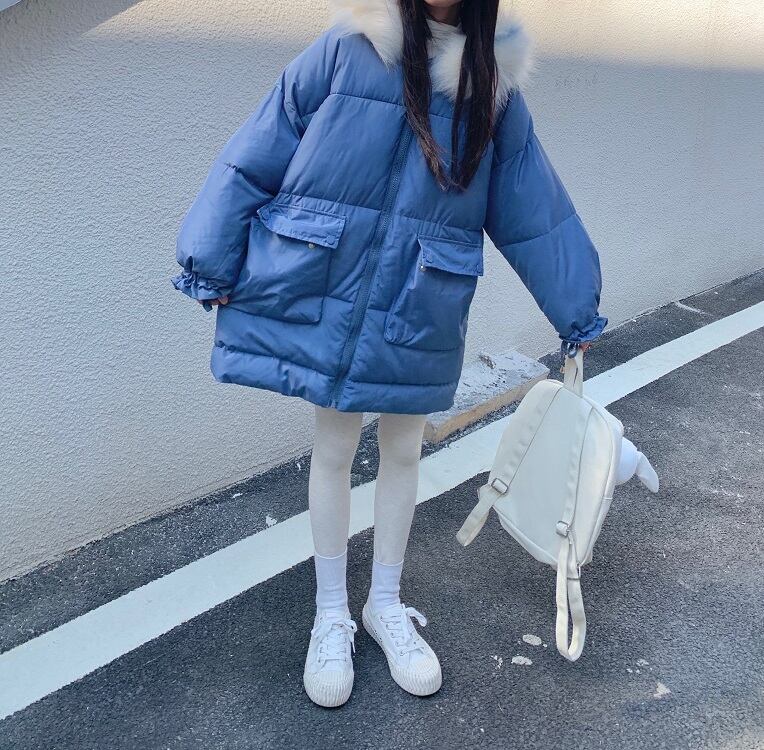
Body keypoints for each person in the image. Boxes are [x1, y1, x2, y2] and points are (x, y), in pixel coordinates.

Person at [171, 0, 607, 708]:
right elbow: (259, 147)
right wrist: (209, 255)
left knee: (404, 451)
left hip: (422, 295)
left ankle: (384, 603)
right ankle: (330, 614)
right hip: (333, 285)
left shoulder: (490, 82)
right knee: (335, 448)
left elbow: (534, 206)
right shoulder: (350, 46)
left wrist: (575, 305)